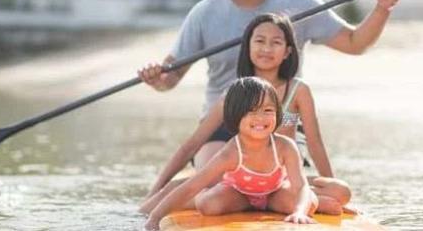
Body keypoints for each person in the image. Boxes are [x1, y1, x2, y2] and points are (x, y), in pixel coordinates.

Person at [138, 0, 400, 169]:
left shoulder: (302, 4)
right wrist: (157, 77)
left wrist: (383, 8)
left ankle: (291, 179)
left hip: (281, 118)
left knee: (286, 154)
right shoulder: (203, 13)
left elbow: (355, 43)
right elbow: (170, 77)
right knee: (216, 180)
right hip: (222, 120)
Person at [140, 13, 351, 216]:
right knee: (191, 187)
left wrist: (329, 180)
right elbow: (194, 143)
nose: (267, 49)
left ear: (287, 51)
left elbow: (314, 143)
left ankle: (286, 202)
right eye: (259, 41)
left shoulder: (298, 91)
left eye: (276, 42)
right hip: (241, 180)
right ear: (248, 47)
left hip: (281, 179)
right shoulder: (235, 93)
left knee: (341, 191)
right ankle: (184, 200)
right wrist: (156, 188)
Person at [143, 77, 319, 231]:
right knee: (208, 204)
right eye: (251, 111)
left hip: (274, 193)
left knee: (309, 202)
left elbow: (301, 186)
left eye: (268, 111)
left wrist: (300, 212)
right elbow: (192, 186)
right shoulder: (231, 153)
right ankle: (234, 202)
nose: (260, 118)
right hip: (238, 195)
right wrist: (155, 217)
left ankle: (276, 204)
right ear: (235, 116)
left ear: (277, 113)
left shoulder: (285, 146)